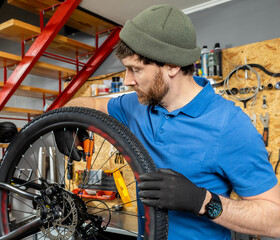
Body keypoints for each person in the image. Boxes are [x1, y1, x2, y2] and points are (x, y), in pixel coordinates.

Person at [59, 4, 280, 239]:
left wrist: (202, 201)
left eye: (136, 69)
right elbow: (88, 104)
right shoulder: (137, 105)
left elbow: (274, 220)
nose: (127, 81)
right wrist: (65, 120)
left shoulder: (229, 126)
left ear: (172, 65)